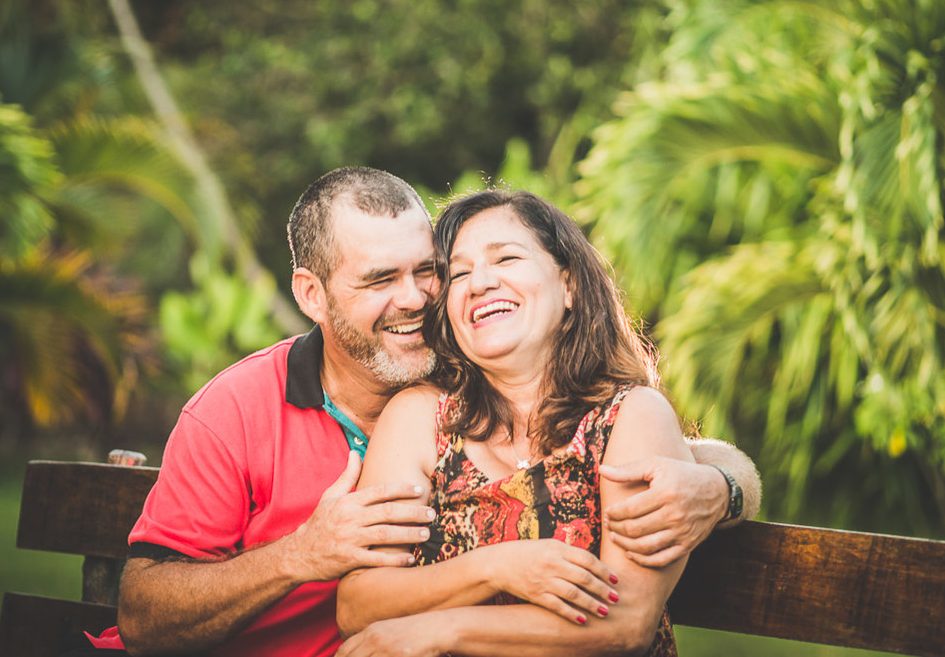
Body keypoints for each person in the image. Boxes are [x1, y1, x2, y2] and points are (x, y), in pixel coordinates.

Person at [101, 168, 758, 657]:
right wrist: (303, 553)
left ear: (569, 284)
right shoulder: (243, 409)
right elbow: (146, 615)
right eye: (380, 280)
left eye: (428, 271)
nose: (416, 298)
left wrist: (724, 485)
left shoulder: (462, 375)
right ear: (312, 294)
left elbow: (640, 442)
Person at [335, 189, 699, 655]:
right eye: (459, 274)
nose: (479, 283)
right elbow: (356, 606)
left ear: (569, 285)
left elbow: (626, 624)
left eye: (505, 258)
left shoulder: (630, 415)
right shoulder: (420, 418)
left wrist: (441, 630)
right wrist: (497, 567)